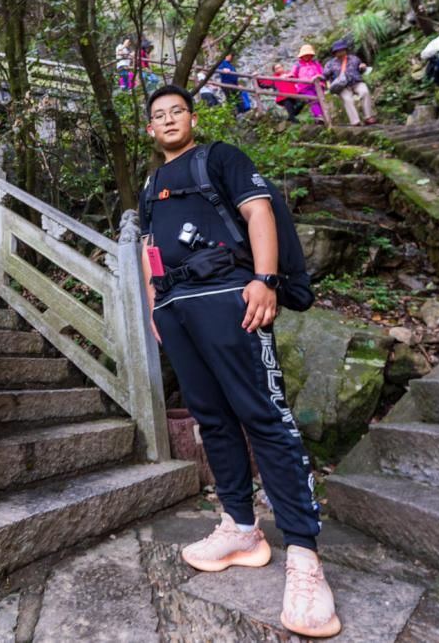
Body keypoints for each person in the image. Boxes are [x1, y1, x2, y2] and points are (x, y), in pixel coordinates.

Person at [139, 84, 341, 639]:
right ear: (151, 131)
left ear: (193, 118)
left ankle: (303, 555)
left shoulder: (221, 157)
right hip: (177, 308)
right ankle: (240, 527)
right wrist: (155, 307)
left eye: (177, 110)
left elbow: (258, 212)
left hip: (230, 295)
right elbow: (147, 247)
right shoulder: (152, 182)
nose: (169, 119)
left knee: (264, 417)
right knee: (211, 419)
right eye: (159, 115)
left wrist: (264, 279)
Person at [323, 39, 377, 126]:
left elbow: (361, 70)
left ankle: (368, 117)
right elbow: (325, 75)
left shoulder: (354, 59)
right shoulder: (330, 64)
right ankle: (355, 122)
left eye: (342, 50)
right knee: (347, 99)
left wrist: (363, 67)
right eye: (338, 51)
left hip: (356, 82)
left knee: (365, 92)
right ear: (334, 52)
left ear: (346, 50)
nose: (341, 52)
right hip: (342, 87)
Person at [290, 45, 325, 121]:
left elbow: (322, 73)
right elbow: (293, 74)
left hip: (318, 85)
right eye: (305, 55)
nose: (307, 56)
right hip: (305, 86)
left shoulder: (316, 63)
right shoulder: (298, 65)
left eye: (308, 55)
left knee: (321, 100)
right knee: (312, 100)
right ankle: (318, 116)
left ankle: (323, 117)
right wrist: (289, 76)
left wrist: (320, 77)